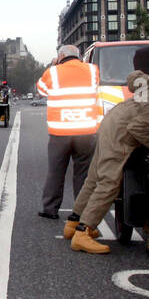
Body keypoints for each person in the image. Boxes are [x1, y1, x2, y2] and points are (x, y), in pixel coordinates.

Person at [68, 70, 149, 254]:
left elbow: (135, 80)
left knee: (94, 178)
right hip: (120, 135)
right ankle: (83, 233)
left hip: (111, 123)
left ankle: (73, 221)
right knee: (109, 183)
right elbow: (137, 128)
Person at [36, 45, 101, 221]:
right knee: (83, 174)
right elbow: (96, 86)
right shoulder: (92, 70)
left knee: (56, 171)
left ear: (61, 56)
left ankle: (50, 208)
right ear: (78, 56)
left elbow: (41, 91)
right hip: (86, 131)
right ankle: (82, 211)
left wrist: (53, 66)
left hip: (60, 132)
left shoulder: (54, 72)